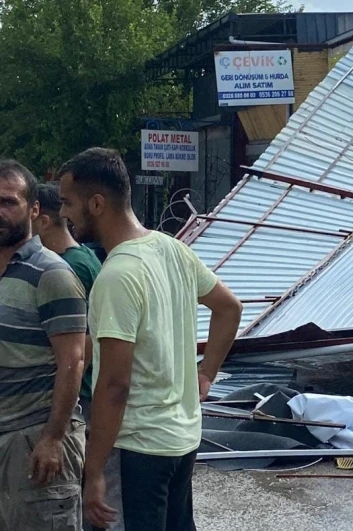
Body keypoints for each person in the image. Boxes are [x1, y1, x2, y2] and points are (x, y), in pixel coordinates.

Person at [58, 147, 242, 531]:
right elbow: (229, 308)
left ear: (96, 203)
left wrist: (93, 472)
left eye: (68, 203)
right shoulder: (172, 249)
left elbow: (113, 386)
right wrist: (205, 374)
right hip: (183, 439)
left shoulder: (117, 275)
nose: (64, 214)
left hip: (140, 448)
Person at [0, 161, 87, 530]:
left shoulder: (52, 274)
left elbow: (74, 361)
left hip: (34, 440)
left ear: (34, 210)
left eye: (8, 202)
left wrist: (52, 438)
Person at [32, 183, 102, 421]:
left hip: (81, 394)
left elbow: (88, 337)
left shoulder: (69, 267)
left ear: (42, 222)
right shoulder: (81, 256)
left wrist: (70, 382)